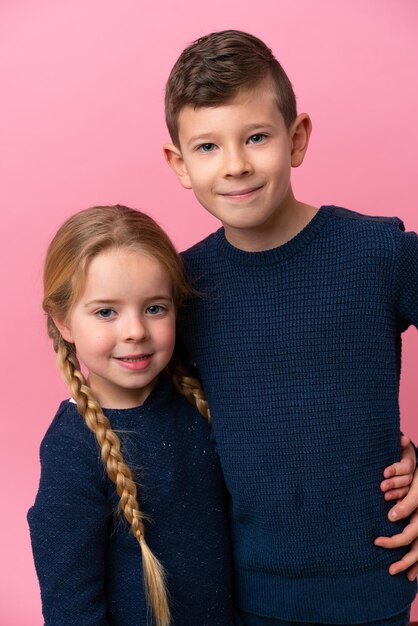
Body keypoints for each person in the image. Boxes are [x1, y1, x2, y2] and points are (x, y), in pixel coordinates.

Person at [163, 30, 418, 625]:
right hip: (246, 596)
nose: (235, 166)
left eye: (256, 137)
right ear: (179, 163)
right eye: (207, 147)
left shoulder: (377, 252)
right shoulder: (184, 287)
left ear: (296, 138)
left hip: (374, 586)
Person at [27, 205, 234, 626]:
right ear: (63, 321)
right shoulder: (74, 447)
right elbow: (71, 605)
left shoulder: (202, 403)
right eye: (106, 312)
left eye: (155, 308)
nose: (135, 330)